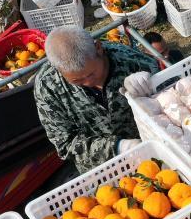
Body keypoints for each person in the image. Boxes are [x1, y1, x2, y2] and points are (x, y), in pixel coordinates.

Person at [34, 26, 161, 173]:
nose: (88, 82)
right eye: (77, 81)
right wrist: (117, 147)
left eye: (92, 73)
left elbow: (171, 98)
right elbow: (65, 145)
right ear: (59, 70)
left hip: (148, 153)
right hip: (102, 170)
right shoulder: (47, 86)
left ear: (98, 48)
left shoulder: (130, 60)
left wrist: (150, 85)